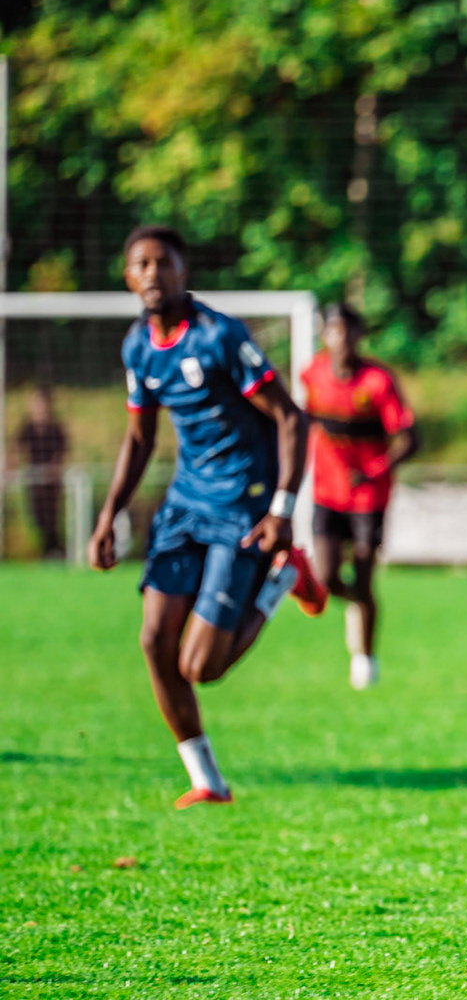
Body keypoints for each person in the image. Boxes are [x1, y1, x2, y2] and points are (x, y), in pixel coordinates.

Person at [89, 225, 325, 808]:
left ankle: (283, 578)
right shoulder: (137, 347)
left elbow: (292, 418)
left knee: (201, 666)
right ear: (127, 277)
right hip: (185, 505)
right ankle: (207, 781)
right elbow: (139, 439)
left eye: (162, 262)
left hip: (243, 503)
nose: (151, 274)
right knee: (152, 641)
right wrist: (108, 515)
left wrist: (283, 509)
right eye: (140, 264)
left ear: (182, 271)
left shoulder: (219, 335)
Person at [300, 303, 419, 690]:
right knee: (327, 575)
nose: (341, 338)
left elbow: (409, 439)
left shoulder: (378, 382)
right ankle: (357, 605)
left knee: (365, 575)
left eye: (348, 330)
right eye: (333, 330)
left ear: (358, 335)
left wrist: (373, 471)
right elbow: (300, 421)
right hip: (326, 493)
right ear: (324, 335)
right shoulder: (313, 373)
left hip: (369, 497)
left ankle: (365, 658)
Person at [13, 385, 69, 559]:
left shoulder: (55, 428)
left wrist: (54, 469)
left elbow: (62, 453)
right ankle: (50, 551)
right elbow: (15, 449)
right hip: (34, 482)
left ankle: (55, 551)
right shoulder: (27, 428)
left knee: (51, 520)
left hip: (51, 484)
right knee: (37, 518)